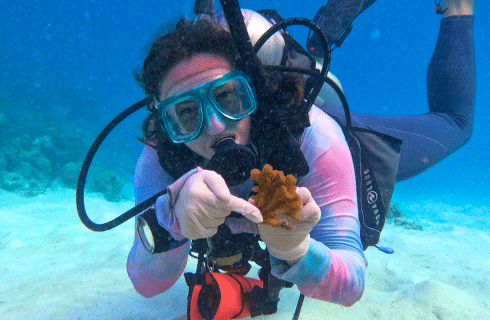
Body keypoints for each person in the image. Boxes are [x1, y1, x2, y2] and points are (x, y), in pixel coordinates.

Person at [126, 0, 476, 309]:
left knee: (455, 126)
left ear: (255, 92)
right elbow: (146, 284)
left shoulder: (315, 136)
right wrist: (170, 225)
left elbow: (352, 283)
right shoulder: (161, 158)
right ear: (166, 125)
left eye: (229, 96)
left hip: (336, 140)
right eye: (187, 113)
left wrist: (299, 251)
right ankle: (315, 45)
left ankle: (458, 9)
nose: (216, 126)